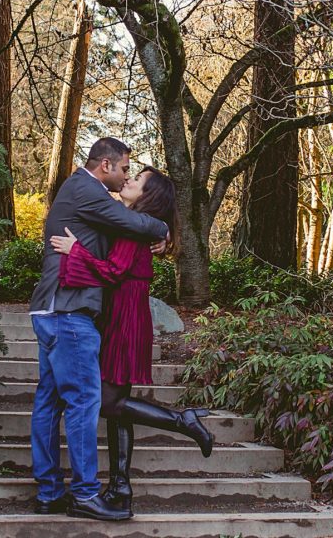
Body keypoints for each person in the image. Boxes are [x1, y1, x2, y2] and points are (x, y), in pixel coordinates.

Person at [50, 165, 214, 518]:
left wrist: (76, 250)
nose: (127, 180)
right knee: (117, 403)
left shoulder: (133, 231)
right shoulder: (135, 227)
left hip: (123, 318)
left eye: (135, 179)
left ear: (148, 196)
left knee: (109, 404)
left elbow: (111, 272)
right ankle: (121, 489)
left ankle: (181, 421)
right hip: (127, 314)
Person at [28, 138, 169, 521]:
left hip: (52, 310)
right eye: (125, 168)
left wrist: (154, 240)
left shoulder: (82, 194)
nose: (125, 175)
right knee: (84, 401)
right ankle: (86, 494)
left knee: (50, 401)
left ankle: (49, 491)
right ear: (105, 165)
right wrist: (163, 228)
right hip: (68, 310)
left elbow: (123, 234)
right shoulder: (86, 189)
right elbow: (132, 220)